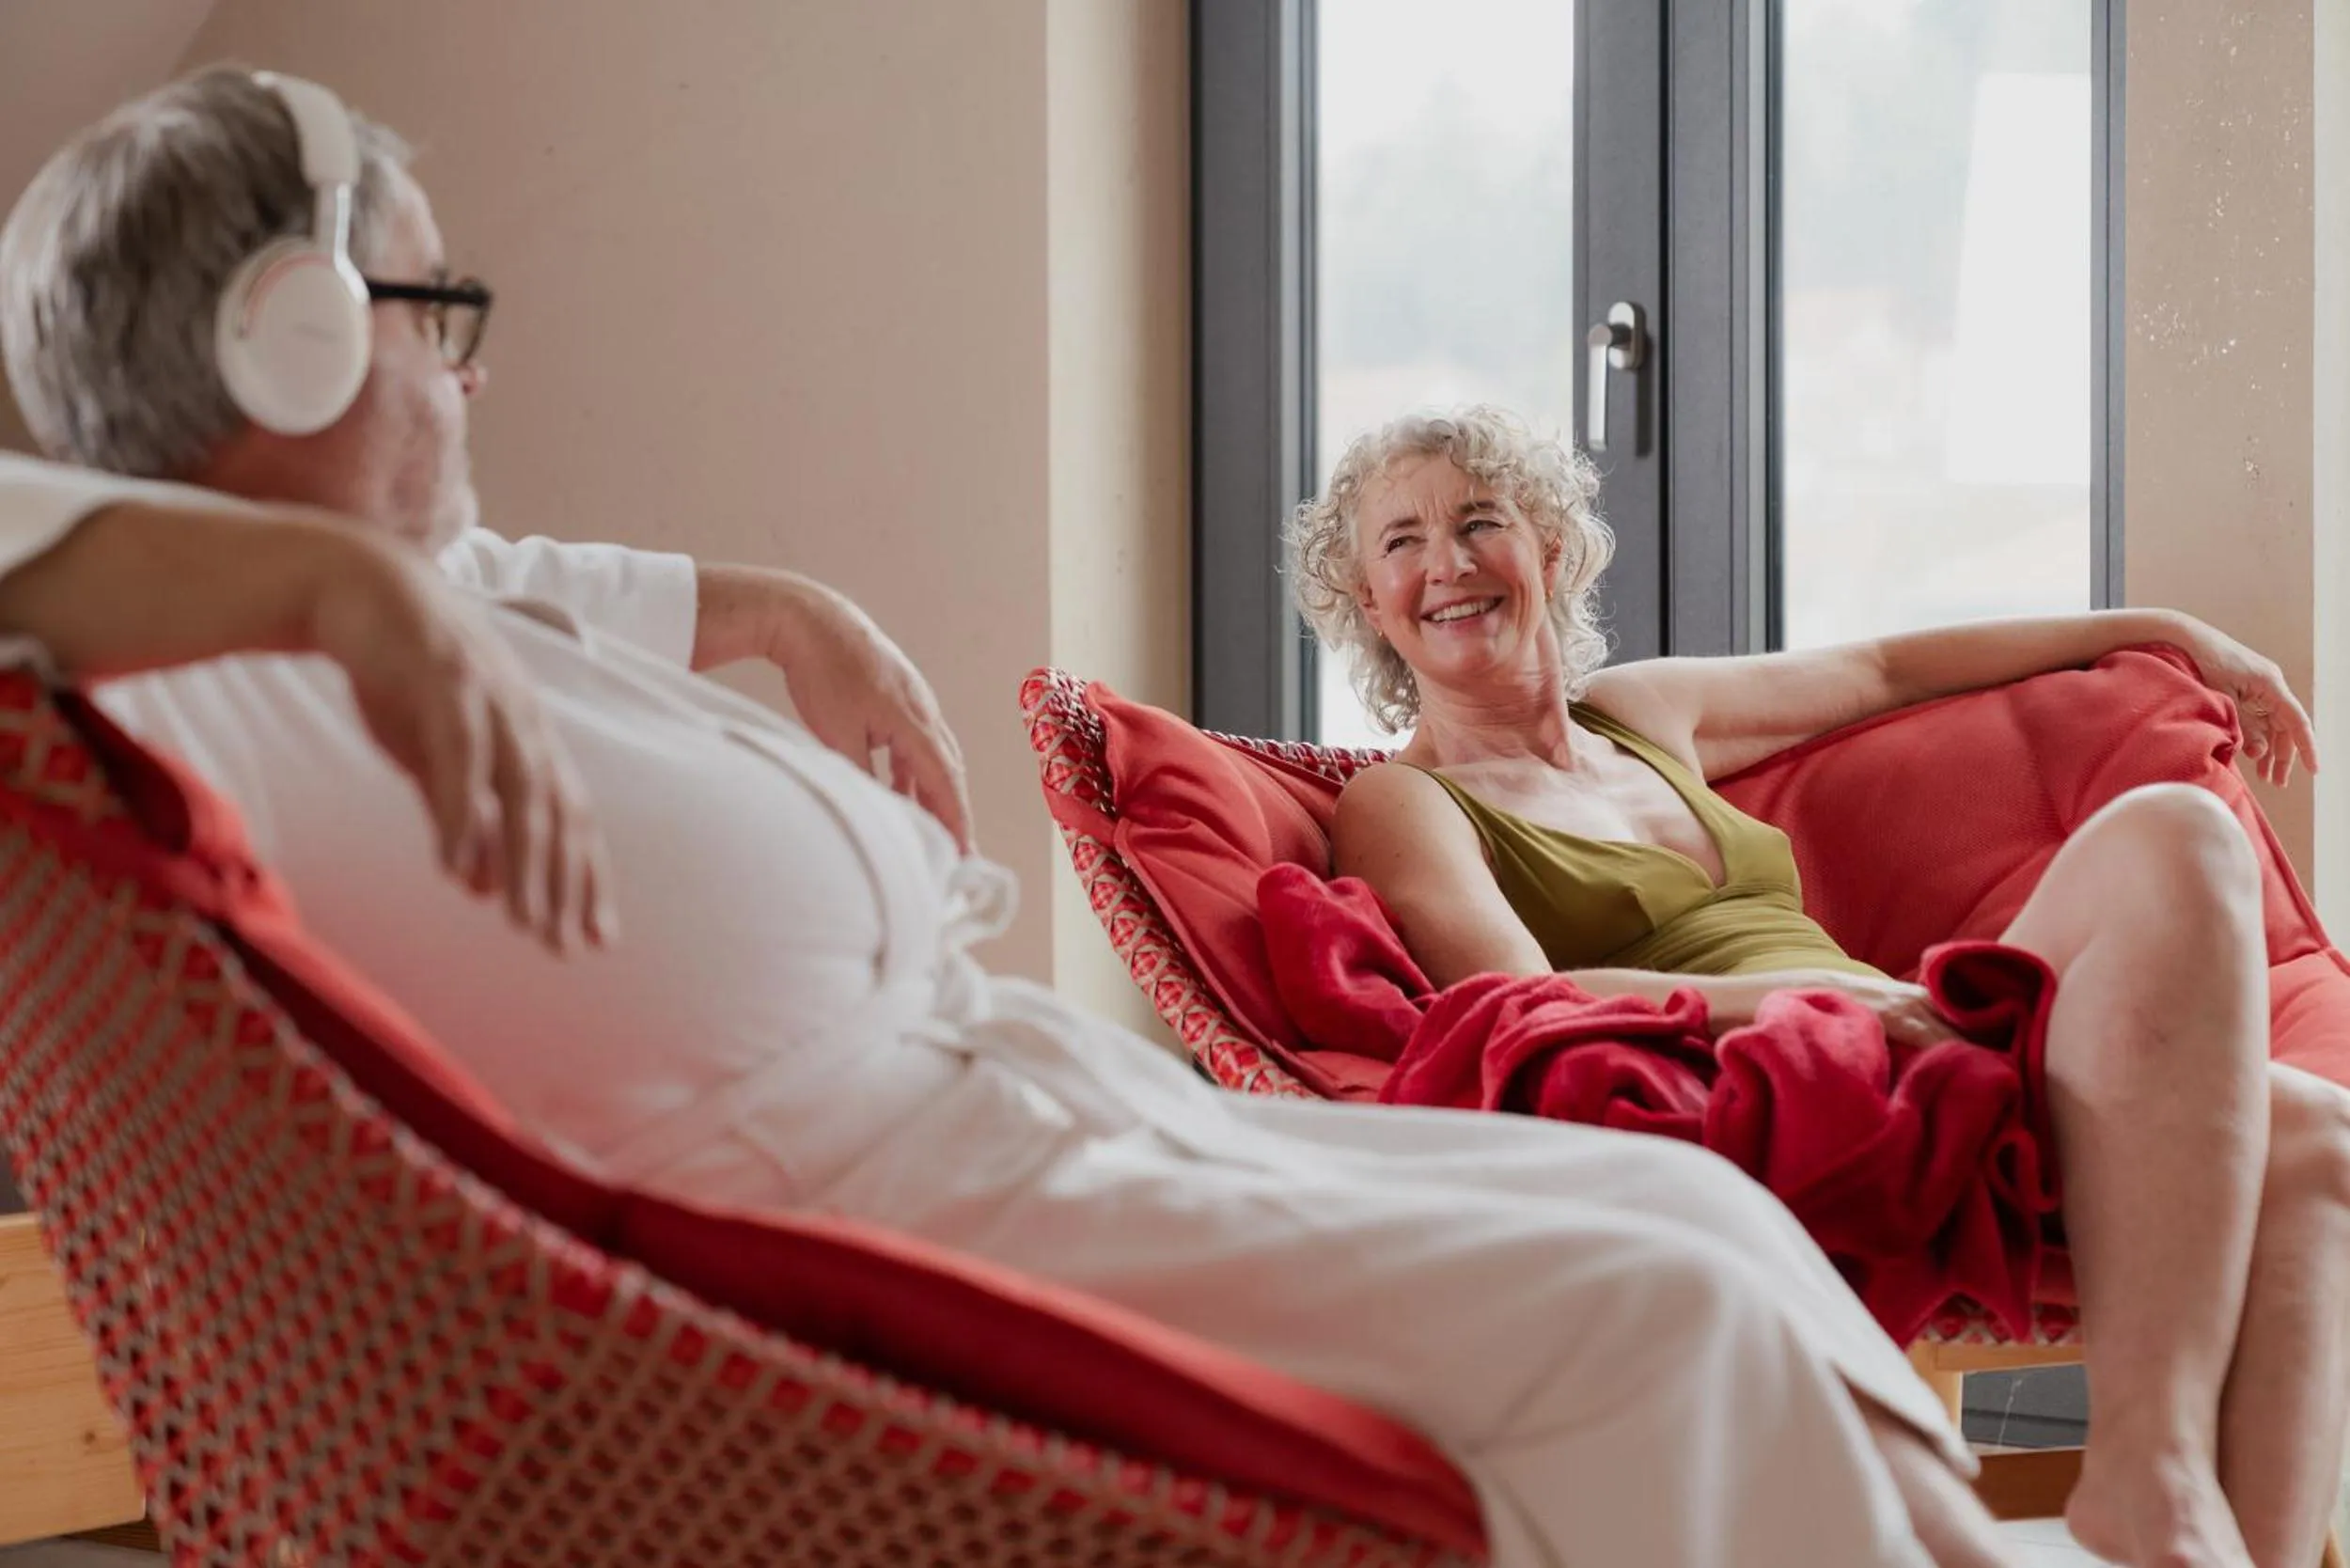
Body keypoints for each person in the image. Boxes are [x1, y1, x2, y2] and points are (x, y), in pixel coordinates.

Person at [0, 67, 2013, 1568]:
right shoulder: (203, 673)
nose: (466, 376)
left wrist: (785, 610)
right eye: (433, 316)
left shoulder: (420, 603)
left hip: (1005, 1124)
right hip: (850, 1255)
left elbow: (550, 571)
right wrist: (332, 589)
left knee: (1691, 1217)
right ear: (298, 336)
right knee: (1658, 1319)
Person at [1290, 404, 2350, 1568]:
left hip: (1923, 1034)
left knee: (2316, 1139)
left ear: (1546, 550)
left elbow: (1887, 668)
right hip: (1811, 1073)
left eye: (1477, 520)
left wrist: (2170, 629)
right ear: (1369, 604)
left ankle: (2202, 1535)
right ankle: (2146, 1476)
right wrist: (1844, 1010)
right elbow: (1521, 1000)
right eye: (1399, 544)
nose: (1443, 564)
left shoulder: (1643, 716)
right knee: (2178, 843)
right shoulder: (1405, 801)